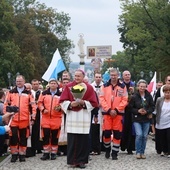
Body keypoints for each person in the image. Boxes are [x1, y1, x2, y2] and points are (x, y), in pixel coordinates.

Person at [59, 69, 98, 168]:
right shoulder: (69, 87)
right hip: (72, 116)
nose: (76, 78)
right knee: (72, 140)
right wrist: (70, 104)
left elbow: (94, 103)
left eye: (78, 76)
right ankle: (72, 161)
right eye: (75, 76)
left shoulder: (88, 88)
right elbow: (62, 101)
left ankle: (81, 161)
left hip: (83, 116)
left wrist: (83, 103)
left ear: (83, 76)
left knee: (83, 140)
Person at [3, 75, 37, 162]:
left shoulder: (28, 93)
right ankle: (14, 154)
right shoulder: (11, 92)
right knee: (13, 137)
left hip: (24, 119)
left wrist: (33, 118)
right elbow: (6, 105)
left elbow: (33, 106)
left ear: (24, 81)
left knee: (23, 138)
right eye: (17, 81)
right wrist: (6, 117)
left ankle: (22, 154)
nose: (18, 83)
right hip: (13, 120)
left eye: (20, 81)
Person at [99, 68, 128, 160]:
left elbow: (125, 100)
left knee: (117, 134)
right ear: (109, 75)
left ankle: (115, 152)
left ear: (118, 75)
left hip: (118, 114)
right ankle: (107, 150)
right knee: (106, 133)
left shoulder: (123, 86)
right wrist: (108, 110)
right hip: (107, 114)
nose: (113, 77)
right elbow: (101, 98)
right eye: (112, 75)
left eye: (115, 75)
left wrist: (116, 109)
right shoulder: (104, 86)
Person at [129, 79, 155, 159]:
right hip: (137, 119)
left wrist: (147, 111)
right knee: (139, 135)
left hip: (146, 118)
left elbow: (152, 106)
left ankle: (142, 152)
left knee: (144, 136)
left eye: (144, 86)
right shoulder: (134, 96)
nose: (142, 88)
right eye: (141, 86)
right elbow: (130, 108)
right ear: (138, 87)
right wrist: (137, 111)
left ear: (146, 87)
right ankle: (138, 152)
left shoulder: (149, 96)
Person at [38, 78, 62, 161]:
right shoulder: (44, 93)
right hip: (46, 117)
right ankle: (46, 152)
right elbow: (39, 103)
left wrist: (60, 108)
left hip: (56, 118)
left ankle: (54, 153)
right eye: (51, 83)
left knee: (55, 136)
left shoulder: (61, 94)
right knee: (46, 135)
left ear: (57, 84)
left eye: (54, 83)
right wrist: (43, 109)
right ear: (49, 84)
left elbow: (64, 104)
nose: (53, 84)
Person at [120, 70, 136, 154]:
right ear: (123, 76)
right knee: (123, 128)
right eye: (125, 75)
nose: (127, 76)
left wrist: (133, 92)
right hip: (123, 109)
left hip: (131, 110)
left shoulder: (133, 85)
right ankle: (123, 146)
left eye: (128, 74)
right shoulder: (120, 85)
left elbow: (137, 96)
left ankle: (130, 148)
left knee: (131, 129)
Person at [155, 85, 170, 157]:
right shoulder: (159, 100)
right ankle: (164, 150)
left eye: (169, 92)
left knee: (169, 136)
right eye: (166, 92)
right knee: (163, 137)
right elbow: (156, 109)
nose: (167, 94)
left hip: (169, 122)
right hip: (161, 121)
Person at [90, 72, 104, 155]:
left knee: (102, 128)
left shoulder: (105, 86)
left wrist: (101, 103)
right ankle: (93, 147)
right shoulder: (91, 86)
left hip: (102, 109)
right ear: (94, 78)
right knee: (94, 128)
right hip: (94, 108)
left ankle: (101, 147)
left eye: (99, 77)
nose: (98, 78)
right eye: (97, 77)